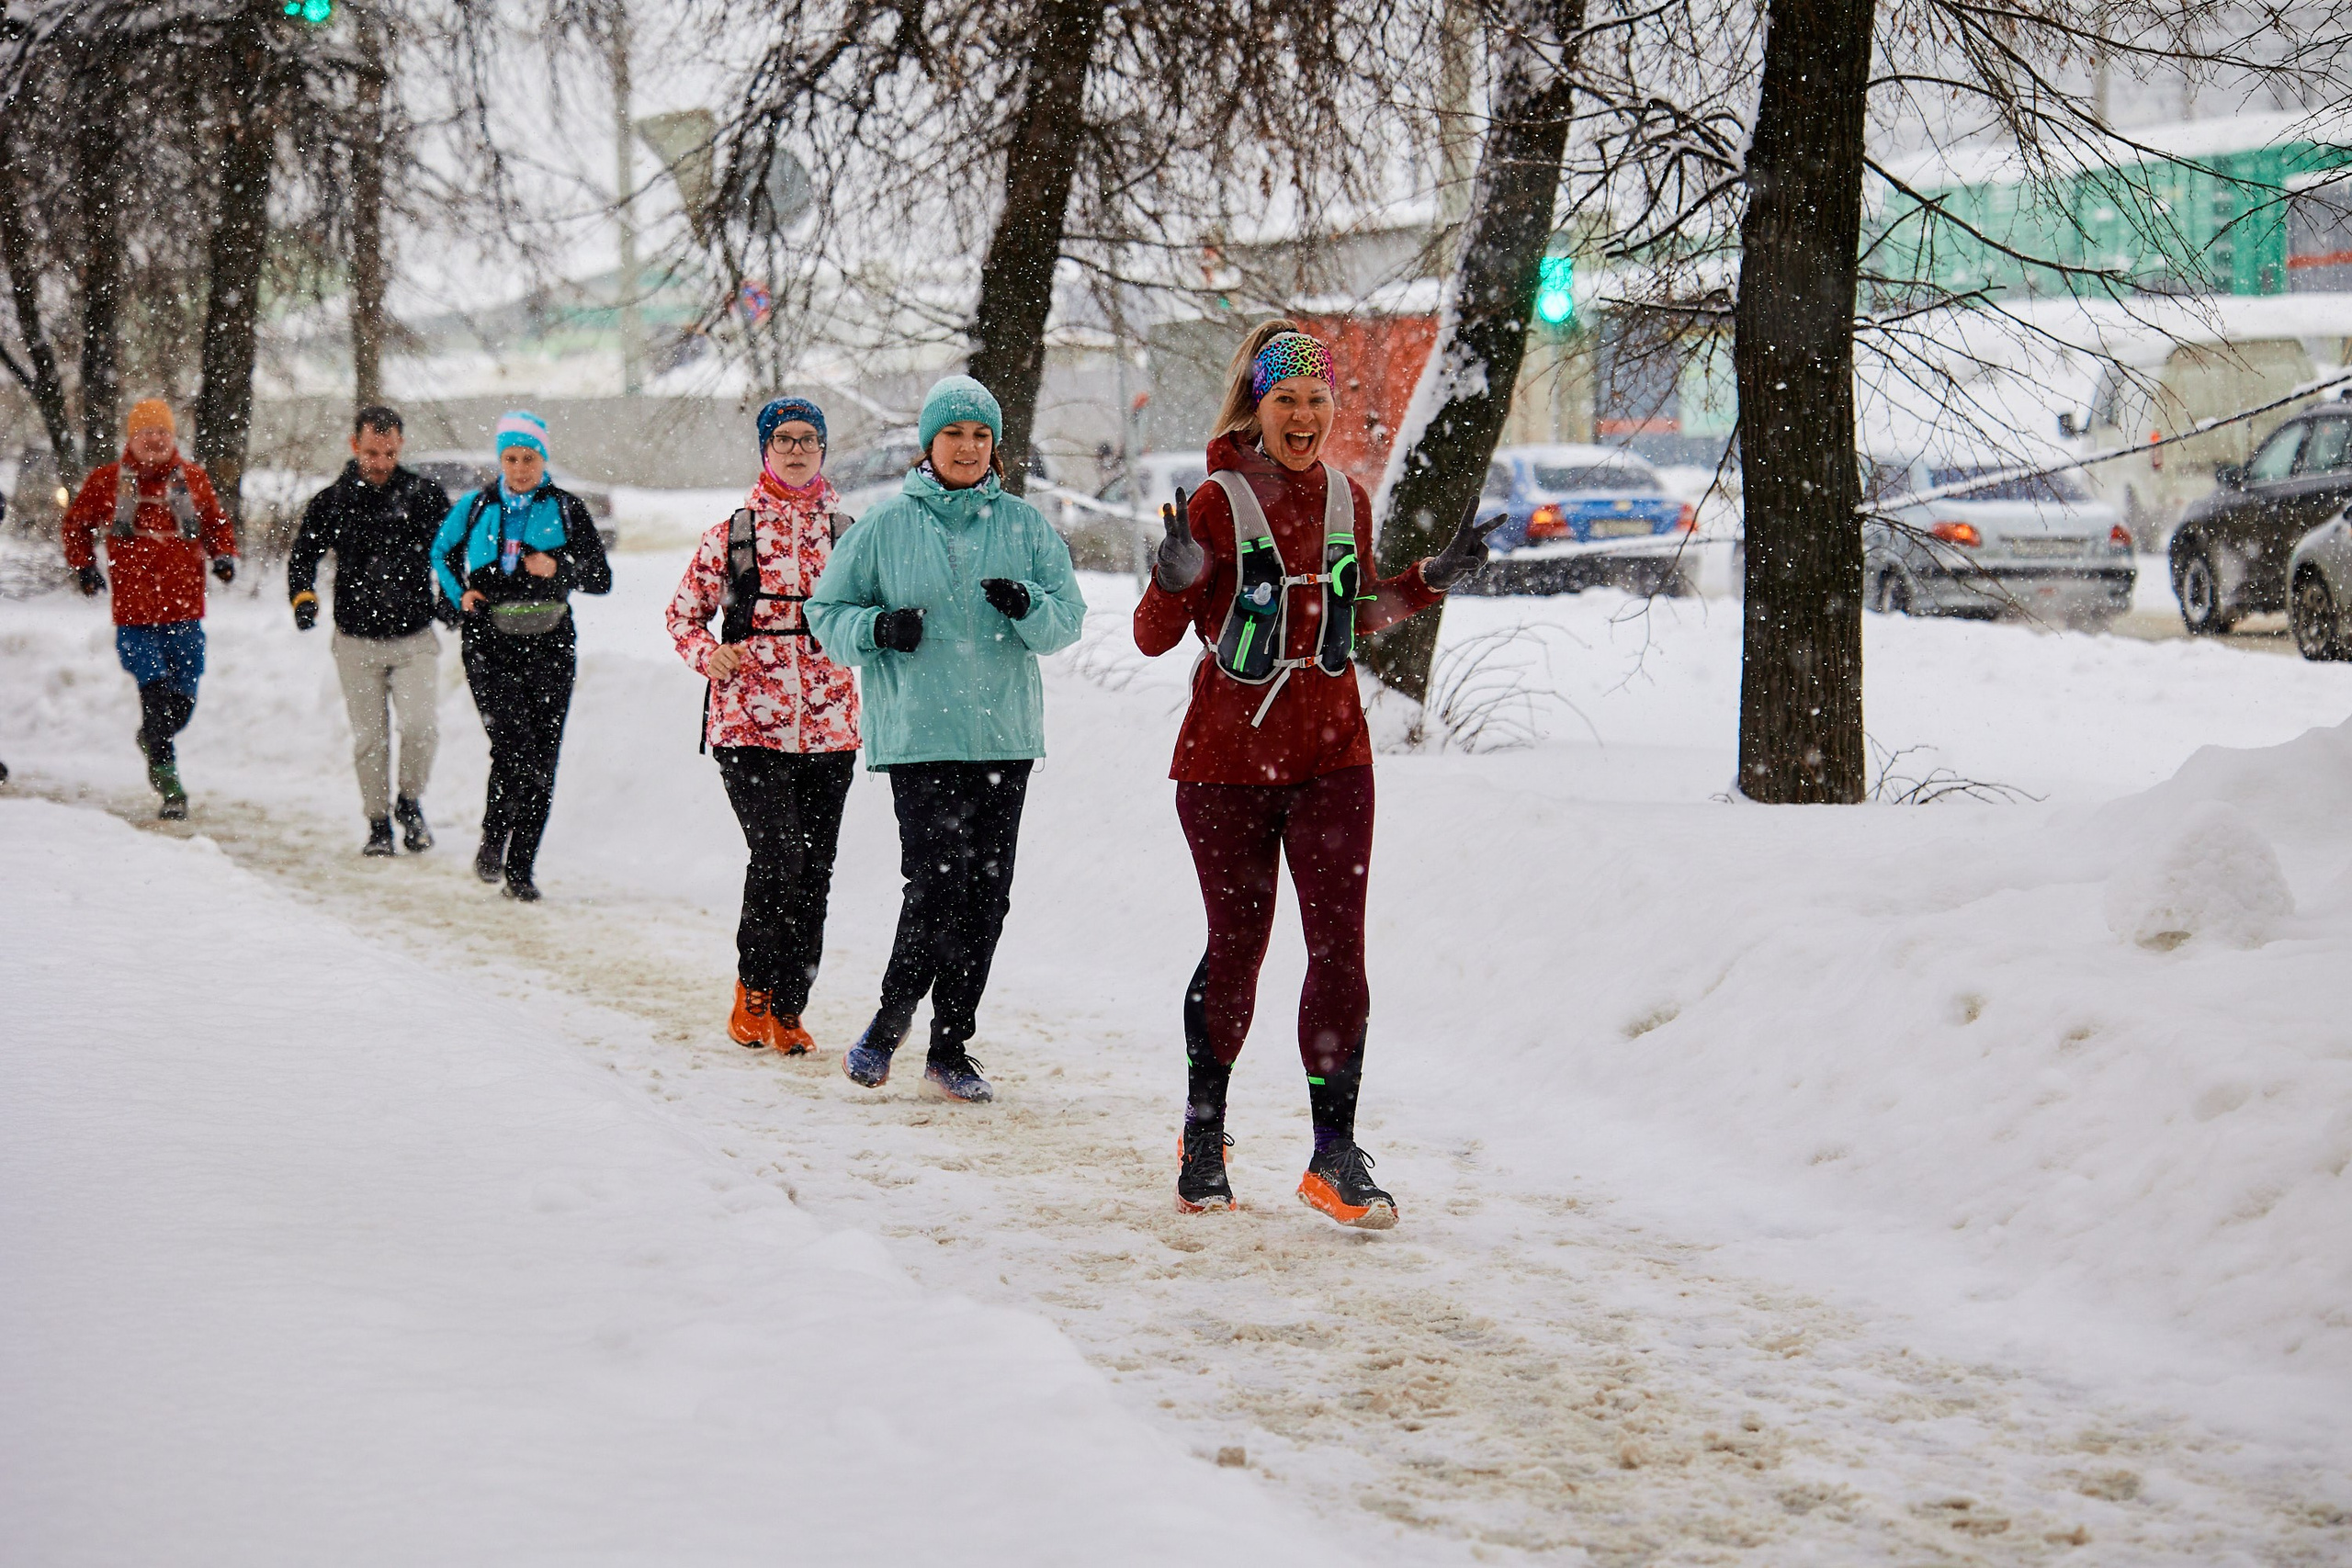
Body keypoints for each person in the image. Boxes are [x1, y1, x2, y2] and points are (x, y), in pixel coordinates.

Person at [1131, 321, 1502, 1229]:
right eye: (1285, 399)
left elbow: (1355, 607)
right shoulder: (1215, 502)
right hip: (1226, 764)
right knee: (1239, 947)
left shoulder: (1346, 498)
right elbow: (1150, 637)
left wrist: (1431, 578)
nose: (1303, 416)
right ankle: (1203, 1135)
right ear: (1255, 405)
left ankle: (1333, 1155)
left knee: (1340, 951)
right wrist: (1174, 581)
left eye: (1316, 398)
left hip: (1334, 754)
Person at [807, 376, 1085, 1103]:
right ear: (929, 443)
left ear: (996, 444)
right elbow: (826, 614)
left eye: (981, 435)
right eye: (954, 434)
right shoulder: (884, 526)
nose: (968, 447)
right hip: (920, 737)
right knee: (936, 885)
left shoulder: (1024, 526)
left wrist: (1028, 605)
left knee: (987, 897)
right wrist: (877, 627)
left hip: (1003, 737)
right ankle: (888, 1020)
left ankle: (950, 1046)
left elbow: (1067, 618)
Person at [666, 396, 862, 1055]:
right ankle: (753, 985)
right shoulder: (733, 534)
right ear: (765, 449)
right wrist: (709, 653)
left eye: (809, 438)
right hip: (749, 721)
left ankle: (790, 1006)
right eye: (785, 439)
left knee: (816, 870)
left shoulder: (848, 534)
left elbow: (873, 611)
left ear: (823, 449)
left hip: (831, 724)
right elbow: (682, 615)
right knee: (780, 856)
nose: (797, 449)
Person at [430, 411, 611, 902]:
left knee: (542, 757)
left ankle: (521, 869)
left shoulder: (567, 508)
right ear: (500, 459)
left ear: (543, 458)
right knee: (514, 746)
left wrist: (559, 566)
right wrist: (459, 595)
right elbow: (441, 552)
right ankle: (494, 838)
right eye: (511, 458)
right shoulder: (476, 505)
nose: (520, 467)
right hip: (488, 642)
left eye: (529, 458)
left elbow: (601, 578)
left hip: (551, 642)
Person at [287, 405, 456, 857]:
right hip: (355, 642)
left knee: (421, 728)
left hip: (414, 638)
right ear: (354, 445)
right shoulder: (333, 501)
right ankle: (378, 823)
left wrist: (449, 597)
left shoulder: (423, 496)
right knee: (369, 739)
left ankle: (410, 803)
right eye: (371, 453)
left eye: (389, 453)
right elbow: (303, 556)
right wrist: (303, 598)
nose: (380, 463)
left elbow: (452, 552)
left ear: (401, 447)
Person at [60, 399, 240, 820]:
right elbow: (76, 524)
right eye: (146, 433)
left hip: (185, 610)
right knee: (155, 694)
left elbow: (215, 523)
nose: (155, 440)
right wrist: (84, 566)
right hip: (135, 614)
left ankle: (153, 739)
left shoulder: (192, 479)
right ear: (131, 438)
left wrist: (223, 556)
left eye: (162, 432)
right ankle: (170, 785)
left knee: (183, 701)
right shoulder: (108, 481)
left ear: (173, 437)